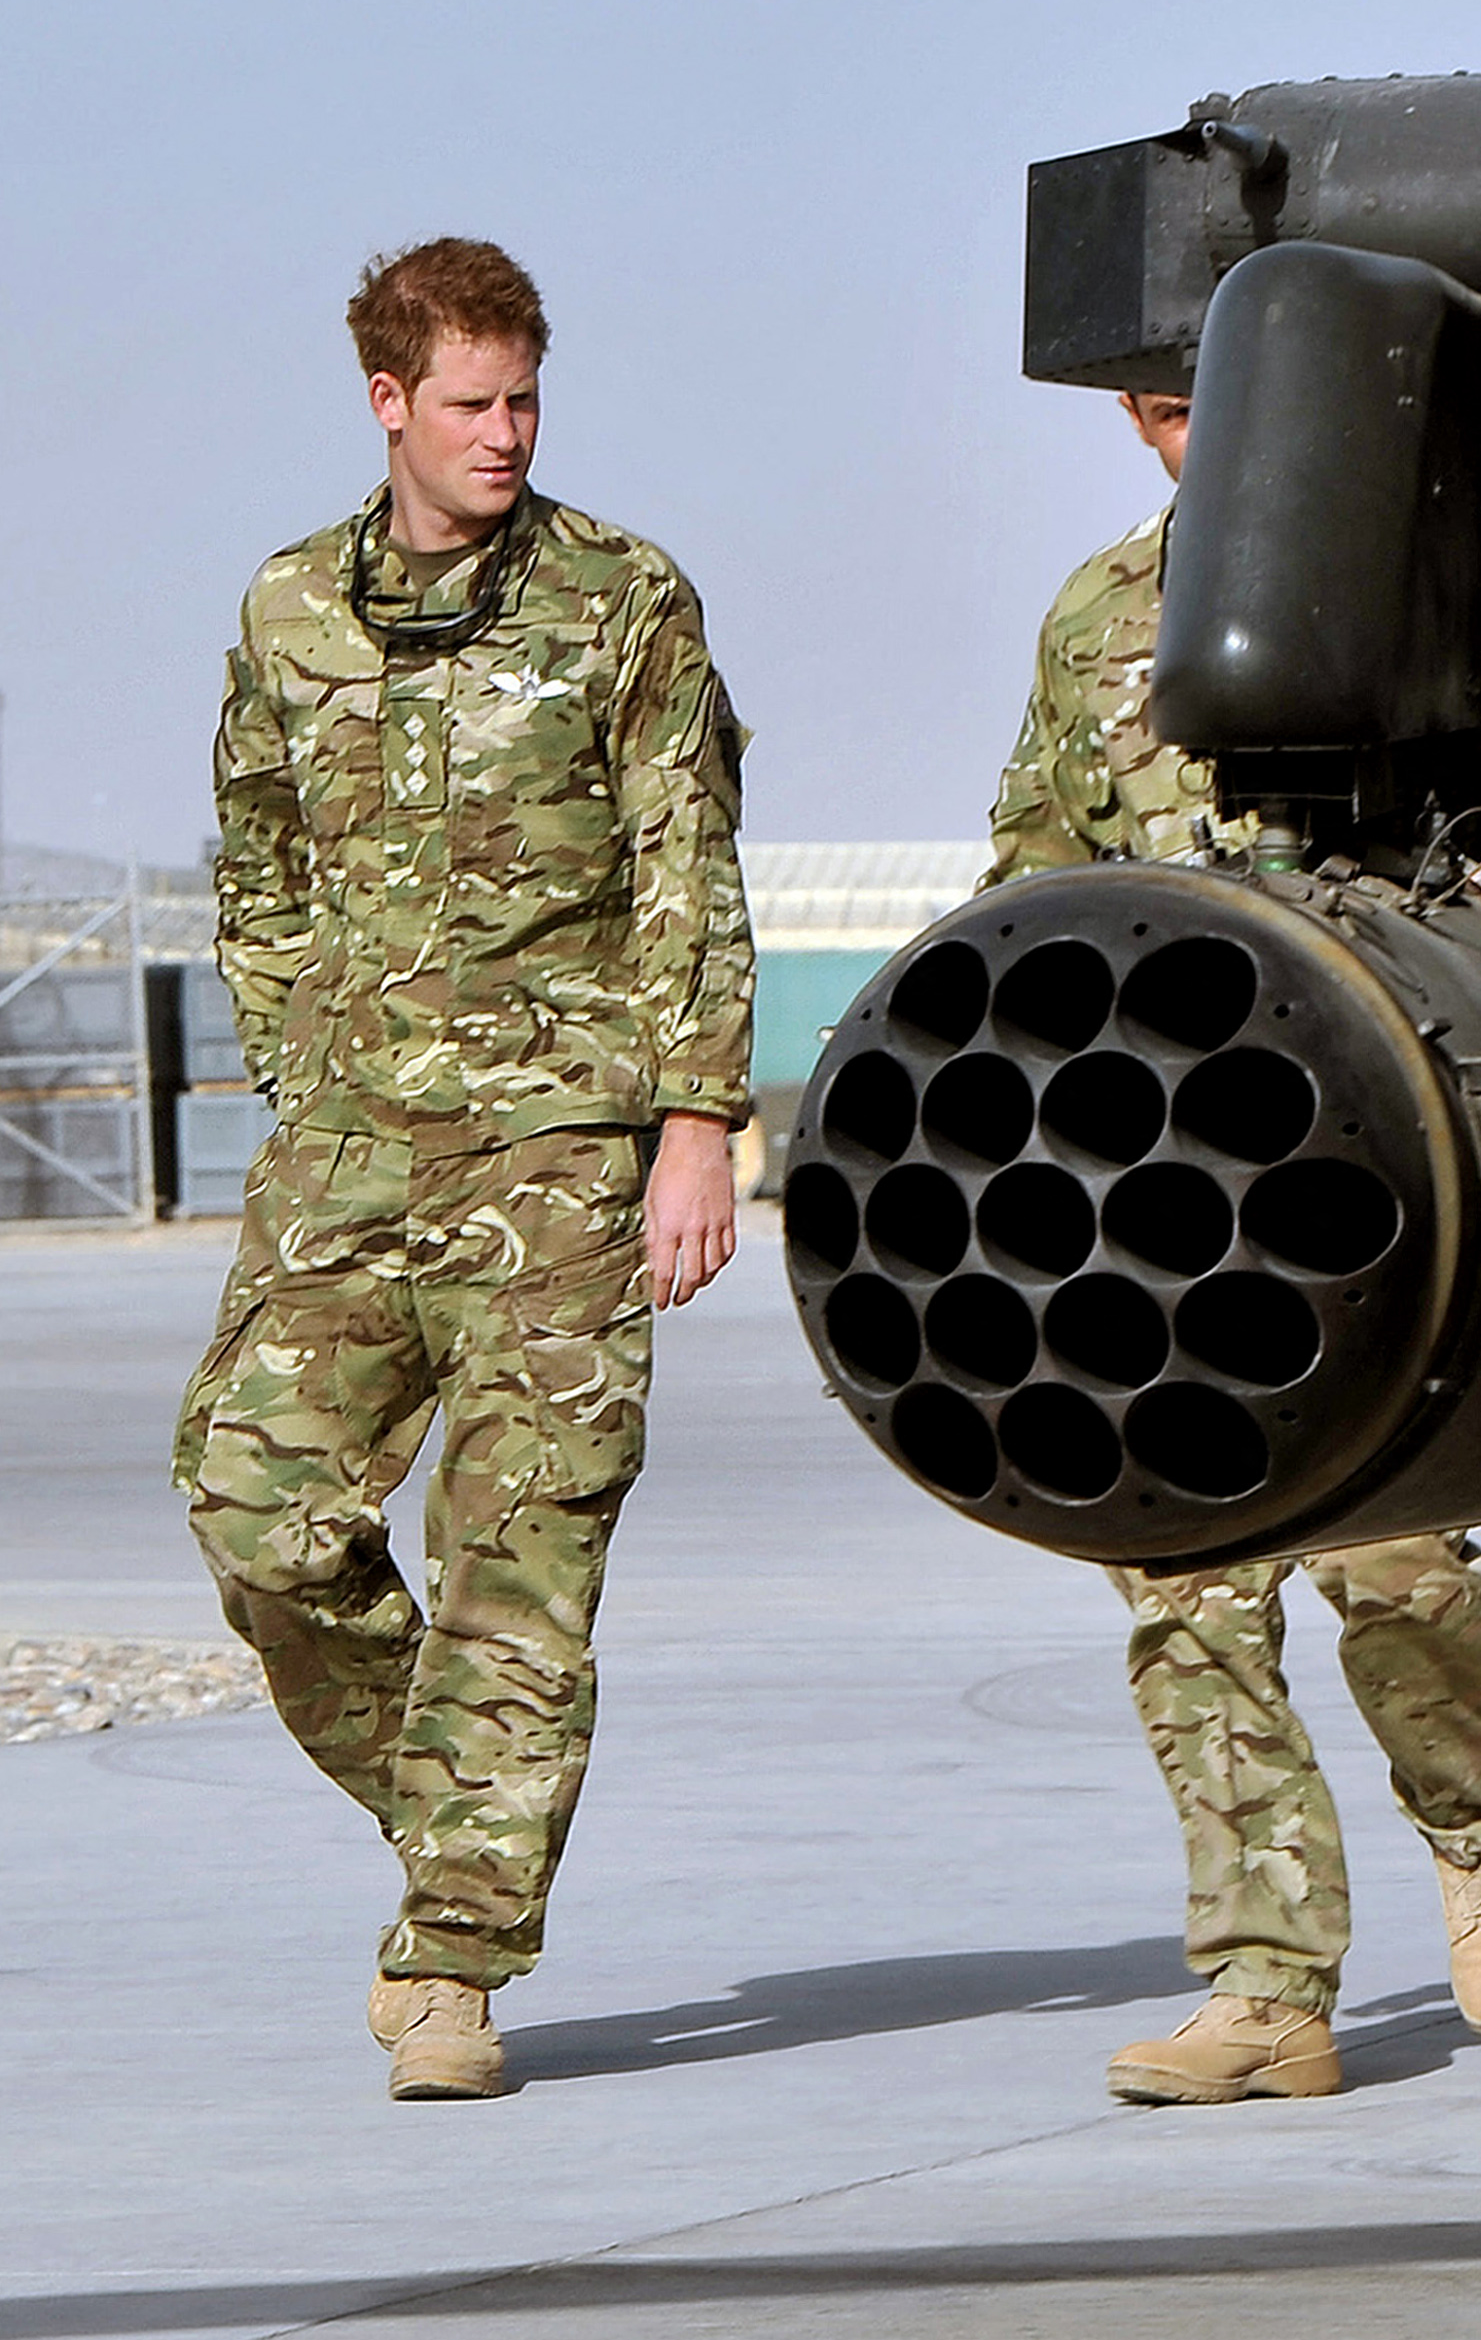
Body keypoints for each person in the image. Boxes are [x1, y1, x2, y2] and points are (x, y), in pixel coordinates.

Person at [174, 239, 754, 2101]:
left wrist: (692, 1126)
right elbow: (254, 856)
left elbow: (689, 876)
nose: (505, 433)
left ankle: (453, 1963)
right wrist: (297, 1061)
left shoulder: (620, 600)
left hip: (567, 1161)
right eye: (471, 402)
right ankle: (457, 1809)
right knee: (254, 1513)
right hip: (347, 1154)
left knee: (522, 1566)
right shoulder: (286, 610)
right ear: (387, 402)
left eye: (526, 400)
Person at [985, 379, 1481, 2106]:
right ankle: (1269, 1986)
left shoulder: (1411, 585)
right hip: (1155, 1173)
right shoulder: (1097, 611)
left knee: (1394, 1557)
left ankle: (1475, 1823)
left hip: (1357, 1159)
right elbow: (1032, 859)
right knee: (1182, 1587)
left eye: (1220, 401)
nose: (1192, 440)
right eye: (1162, 411)